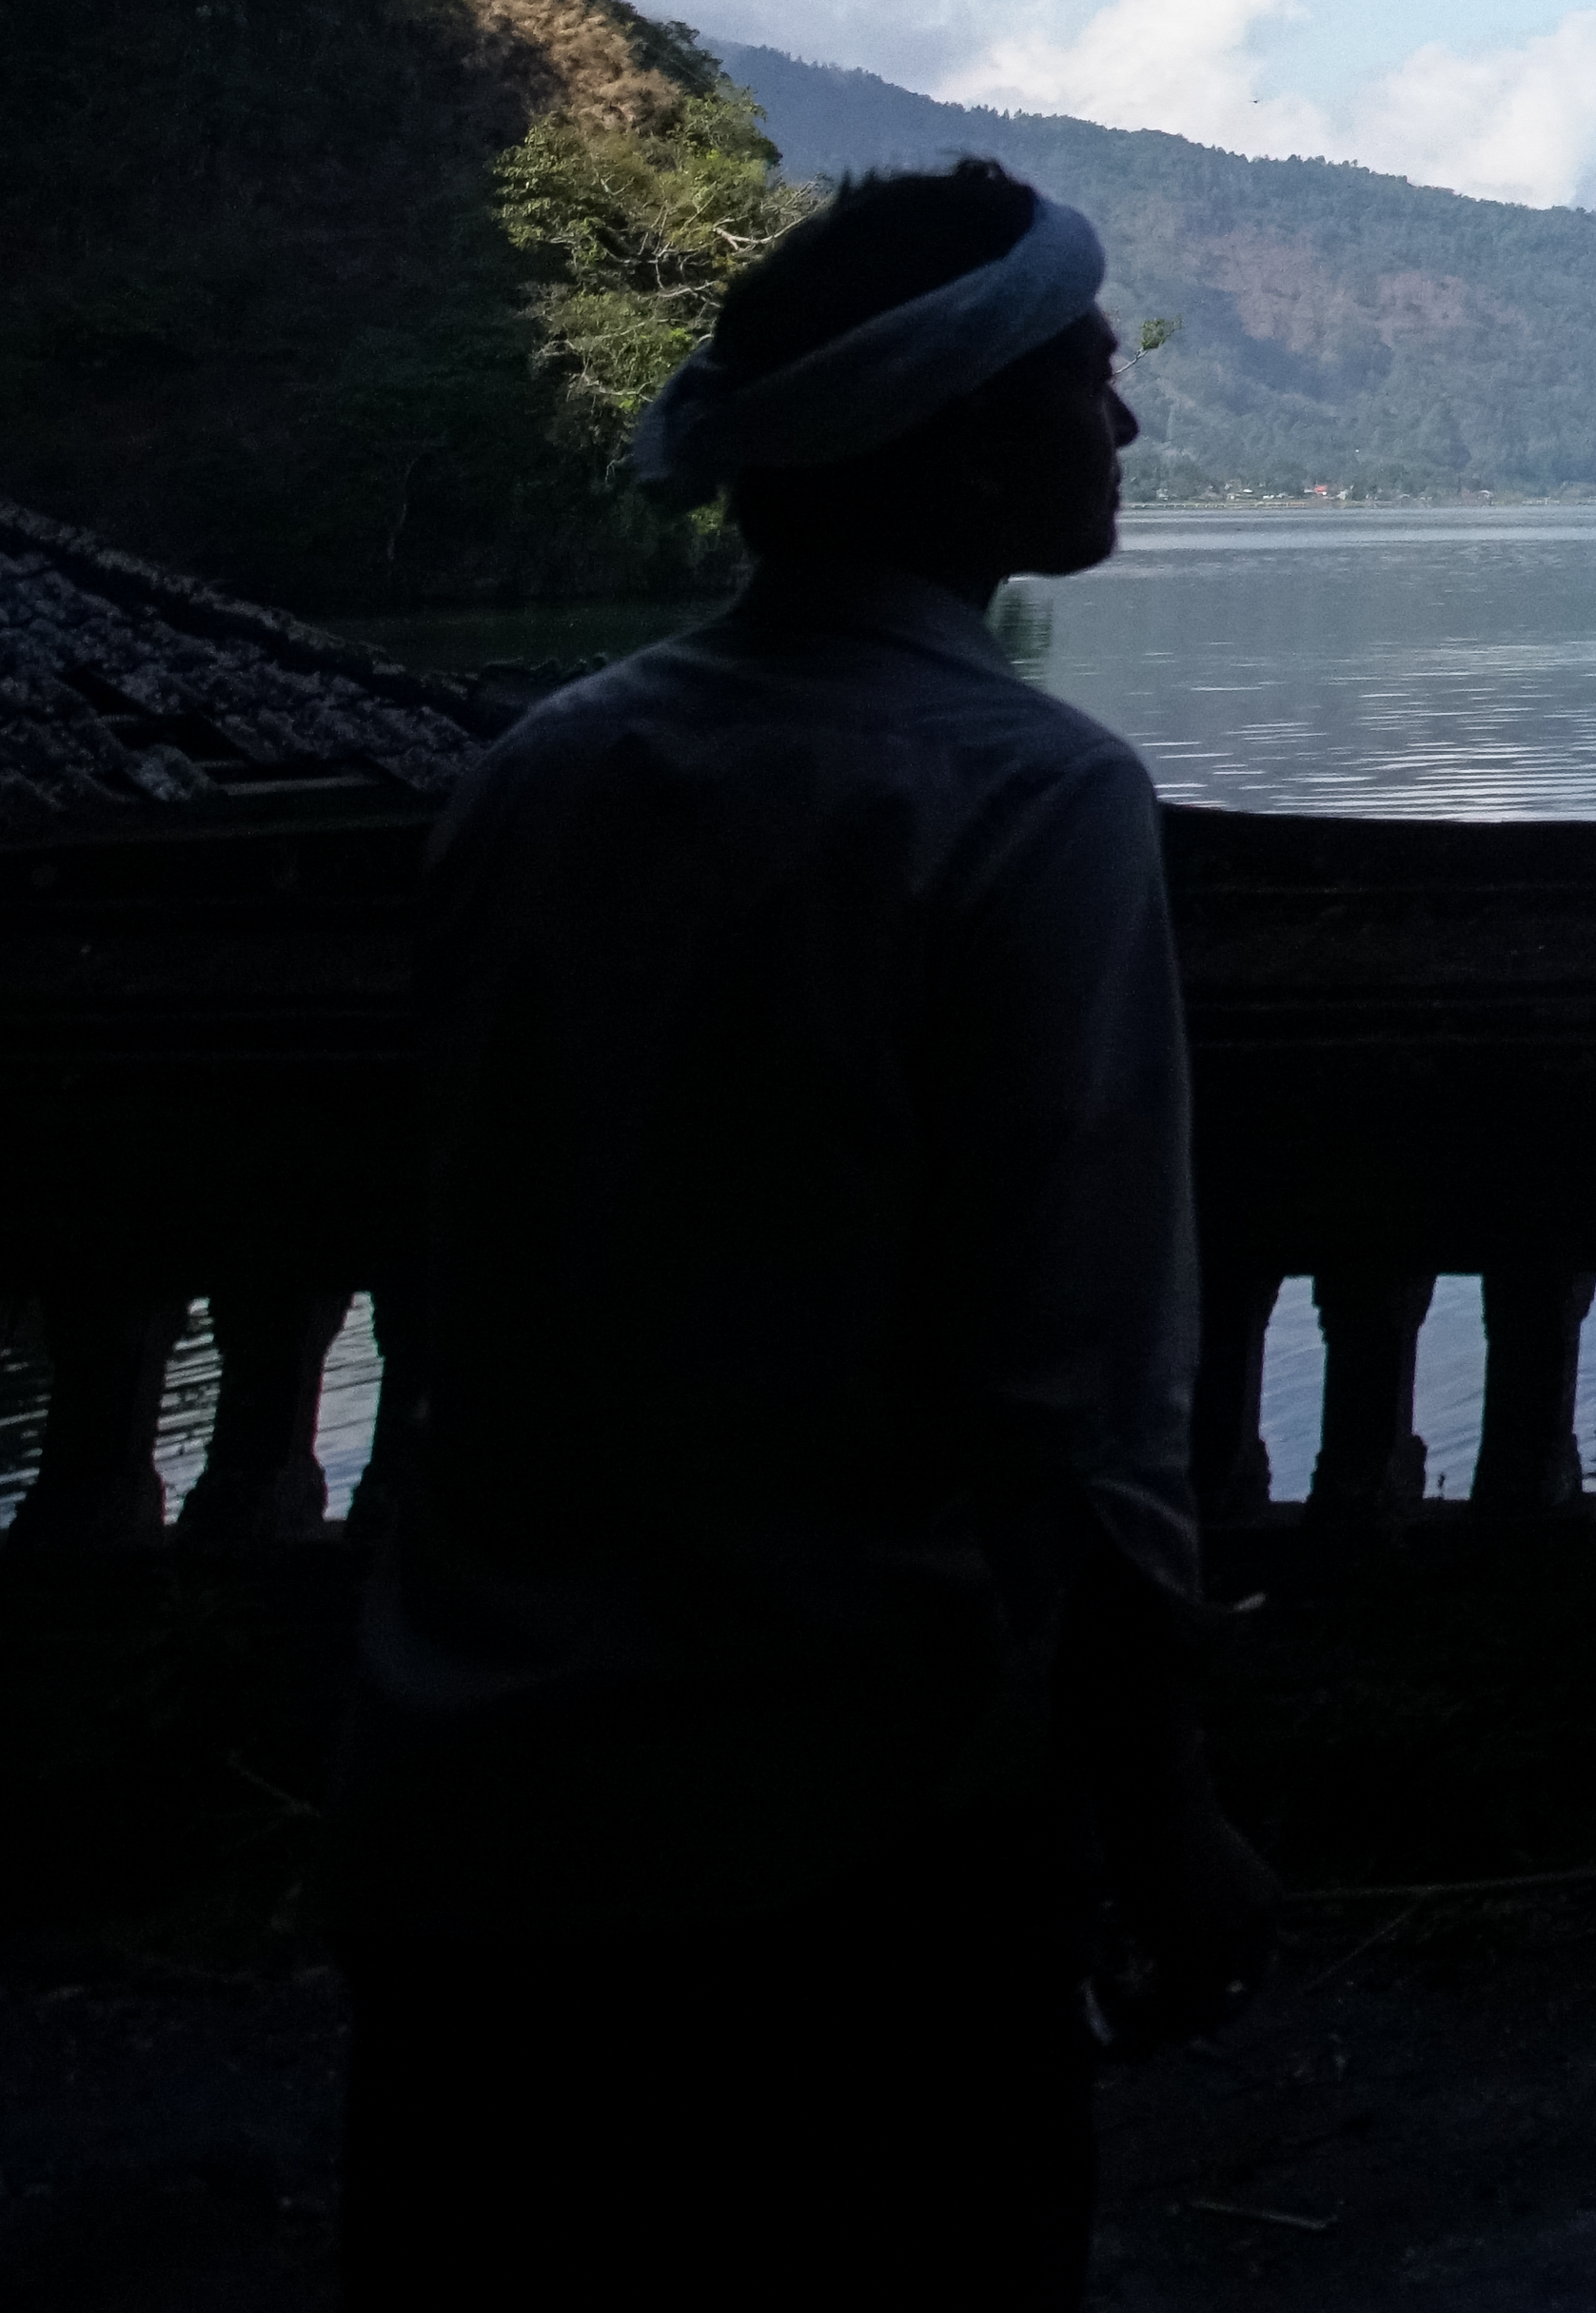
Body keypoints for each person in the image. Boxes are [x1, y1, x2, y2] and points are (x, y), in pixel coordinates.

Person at [333, 159, 1271, 2307]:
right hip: (854, 1815)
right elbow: (1071, 1391)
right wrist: (1164, 1807)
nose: (1124, 417)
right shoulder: (1022, 794)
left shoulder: (546, 769)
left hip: (472, 1783)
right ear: (962, 445)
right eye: (1086, 375)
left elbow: (468, 1253)